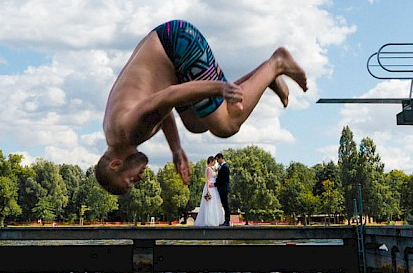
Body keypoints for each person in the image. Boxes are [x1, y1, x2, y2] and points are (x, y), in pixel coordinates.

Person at [95, 19, 307, 195]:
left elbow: (167, 97)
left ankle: (277, 63)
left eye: (130, 180)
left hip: (178, 43)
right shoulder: (115, 133)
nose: (139, 178)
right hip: (167, 46)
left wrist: (219, 88)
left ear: (116, 164)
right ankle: (264, 77)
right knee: (196, 123)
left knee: (225, 125)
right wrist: (176, 149)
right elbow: (159, 109)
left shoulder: (129, 133)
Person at [195, 156, 224, 227]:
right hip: (210, 188)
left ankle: (214, 219)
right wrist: (208, 190)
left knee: (214, 202)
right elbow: (208, 179)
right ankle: (209, 220)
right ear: (211, 161)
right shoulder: (208, 169)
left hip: (213, 187)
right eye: (214, 161)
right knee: (210, 203)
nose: (215, 163)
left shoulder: (211, 169)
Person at [214, 152, 232, 226]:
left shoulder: (225, 167)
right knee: (224, 204)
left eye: (217, 160)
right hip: (222, 187)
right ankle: (225, 220)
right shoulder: (222, 166)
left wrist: (215, 184)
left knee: (225, 204)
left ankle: (227, 220)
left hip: (223, 188)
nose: (217, 161)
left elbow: (222, 179)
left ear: (221, 158)